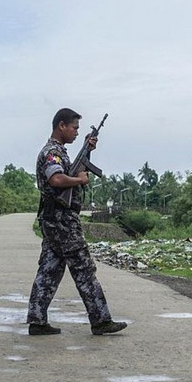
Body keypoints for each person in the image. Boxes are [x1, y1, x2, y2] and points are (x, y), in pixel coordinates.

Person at [26, 107, 127, 336]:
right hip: (62, 221)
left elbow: (69, 171)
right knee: (84, 268)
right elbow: (57, 178)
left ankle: (37, 320)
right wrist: (80, 179)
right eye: (74, 128)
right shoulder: (52, 152)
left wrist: (87, 151)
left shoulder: (59, 151)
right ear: (61, 125)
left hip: (55, 220)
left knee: (49, 270)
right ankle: (101, 320)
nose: (75, 132)